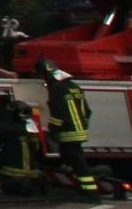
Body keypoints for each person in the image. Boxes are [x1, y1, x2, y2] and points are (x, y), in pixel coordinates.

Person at [37, 60, 100, 197]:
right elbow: (87, 112)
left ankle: (90, 192)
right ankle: (76, 184)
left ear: (47, 75)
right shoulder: (75, 86)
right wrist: (83, 127)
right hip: (80, 131)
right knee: (68, 157)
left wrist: (51, 130)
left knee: (76, 160)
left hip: (68, 132)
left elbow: (58, 113)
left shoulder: (56, 89)